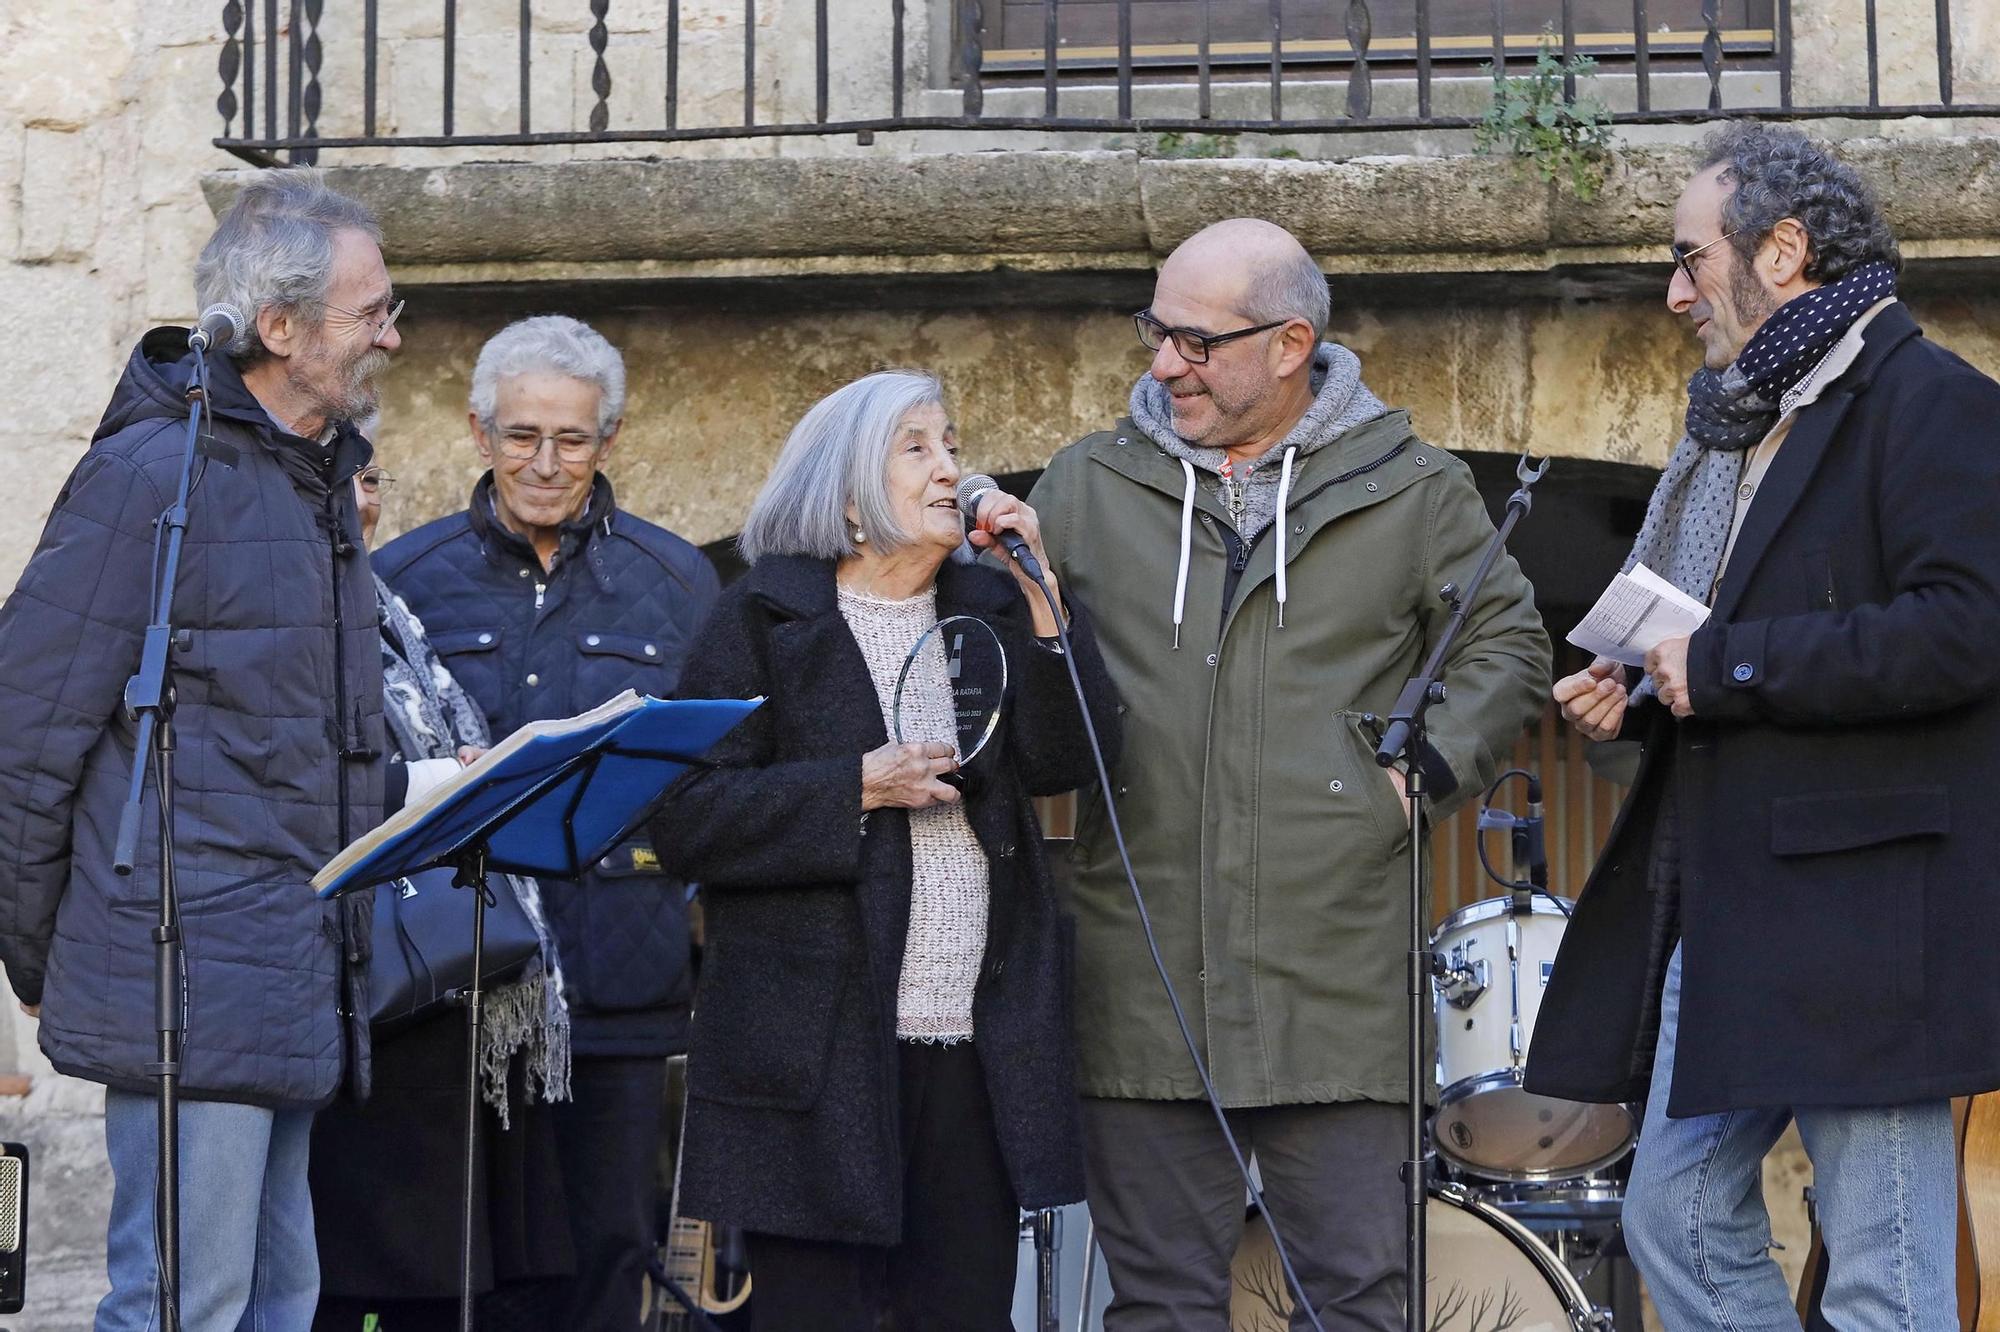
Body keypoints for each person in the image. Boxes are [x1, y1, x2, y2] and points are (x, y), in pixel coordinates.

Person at [1027, 218, 1550, 1330]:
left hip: (1337, 988)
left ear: (1289, 343)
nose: (1163, 362)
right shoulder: (1081, 484)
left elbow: (1504, 646)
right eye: (1154, 332)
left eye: (1194, 341)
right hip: (1142, 985)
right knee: (1160, 1306)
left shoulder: (1414, 488)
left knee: (1356, 1300)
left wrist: (1404, 781)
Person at [1527, 122, 2000, 1332]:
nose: (1671, 289)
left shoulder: (1930, 401)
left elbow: (1961, 631)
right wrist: (1643, 683)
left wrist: (1721, 662)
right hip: (1735, 901)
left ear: (1781, 250)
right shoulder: (1741, 421)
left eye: (1690, 258)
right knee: (1672, 1217)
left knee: (1885, 1277)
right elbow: (1759, 636)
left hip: (1867, 915)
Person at [0, 170, 397, 1330]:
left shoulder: (319, 484)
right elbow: (24, 741)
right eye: (370, 310)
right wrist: (58, 960)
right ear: (279, 329)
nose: (391, 332)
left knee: (279, 1302)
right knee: (183, 1308)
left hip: (289, 973)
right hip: (189, 980)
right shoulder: (152, 477)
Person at [651, 369, 1121, 1331]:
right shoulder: (762, 621)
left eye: (951, 443)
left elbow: (1072, 761)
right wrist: (857, 787)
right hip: (817, 1060)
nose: (952, 467)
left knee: (962, 1313)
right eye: (918, 447)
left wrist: (1043, 595)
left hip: (974, 1054)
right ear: (852, 495)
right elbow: (688, 815)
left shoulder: (991, 606)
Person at [372, 315, 720, 1330]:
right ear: (480, 435)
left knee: (609, 1256)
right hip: (458, 988)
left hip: (618, 981)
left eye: (571, 438)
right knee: (462, 1271)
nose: (545, 461)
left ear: (608, 442)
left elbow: (715, 772)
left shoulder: (677, 583)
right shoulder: (404, 578)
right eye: (521, 435)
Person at [309, 457, 577, 1331]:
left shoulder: (390, 610)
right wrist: (434, 781)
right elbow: (292, 785)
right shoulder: (283, 613)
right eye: (338, 478)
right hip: (357, 980)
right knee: (370, 1272)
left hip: (452, 969)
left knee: (456, 1277)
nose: (362, 498)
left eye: (374, 477)